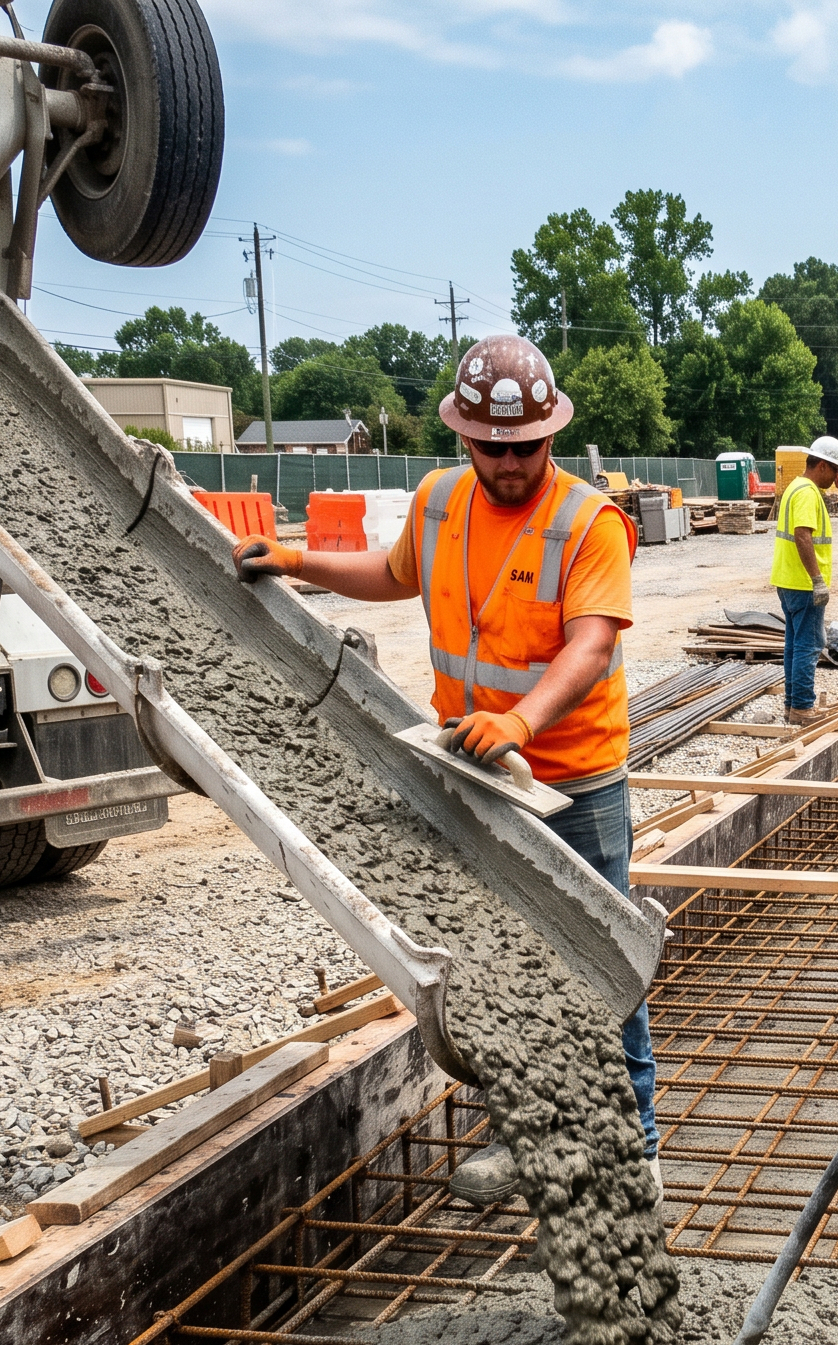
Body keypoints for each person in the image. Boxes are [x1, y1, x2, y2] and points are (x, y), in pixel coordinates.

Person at [232, 335, 660, 1196]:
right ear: (464, 438)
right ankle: (533, 1132)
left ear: (551, 436)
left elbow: (592, 644)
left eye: (527, 445)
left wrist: (522, 718)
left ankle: (632, 1152)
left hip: (571, 786)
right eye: (492, 446)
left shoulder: (589, 521)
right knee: (499, 969)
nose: (510, 462)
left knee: (597, 972)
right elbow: (394, 574)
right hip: (476, 777)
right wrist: (298, 561)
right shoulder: (438, 503)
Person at [771, 436, 838, 721]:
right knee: (809, 645)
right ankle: (802, 707)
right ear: (823, 465)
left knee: (794, 643)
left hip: (788, 580)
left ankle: (793, 705)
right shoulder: (807, 492)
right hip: (803, 583)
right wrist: (817, 579)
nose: (837, 477)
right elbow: (802, 534)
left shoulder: (794, 487)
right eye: (836, 470)